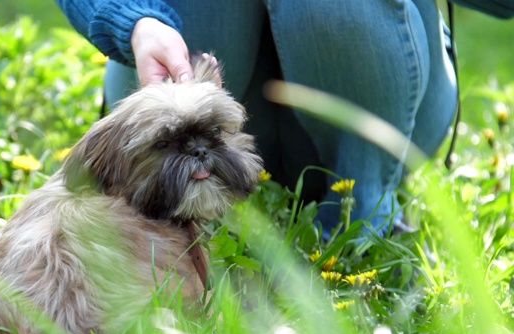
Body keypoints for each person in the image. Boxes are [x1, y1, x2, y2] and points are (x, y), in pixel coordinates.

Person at [53, 0, 508, 238]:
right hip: (173, 51)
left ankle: (363, 229)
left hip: (387, 95)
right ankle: (167, 230)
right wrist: (132, 20)